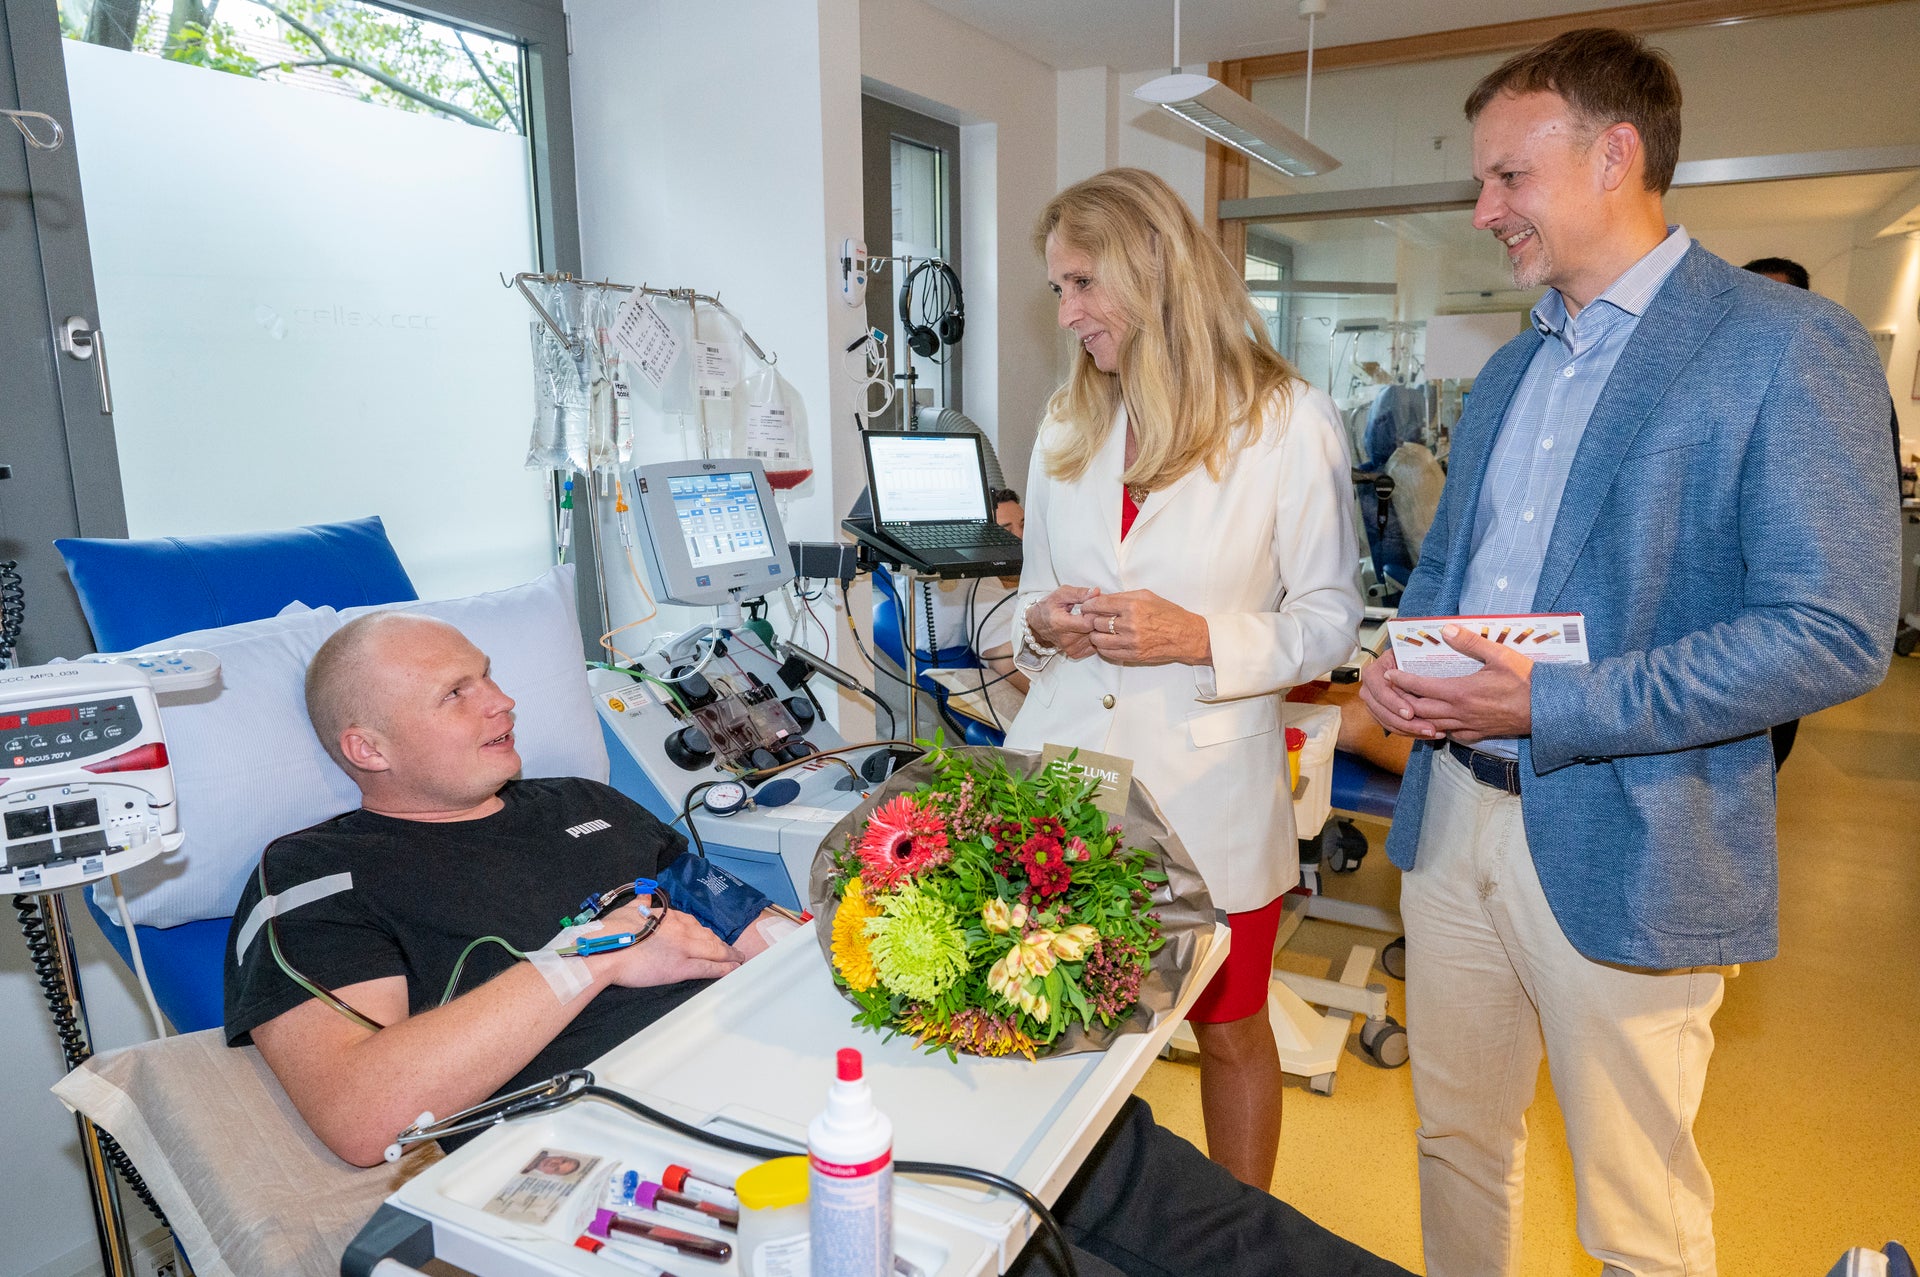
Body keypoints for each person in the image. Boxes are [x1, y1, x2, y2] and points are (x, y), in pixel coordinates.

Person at [224, 611, 1412, 1277]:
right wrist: (586, 958)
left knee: (1202, 1210)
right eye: (456, 694)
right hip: (698, 1151)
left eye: (490, 677)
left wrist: (816, 939)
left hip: (839, 1073)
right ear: (366, 746)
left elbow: (742, 917)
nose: (501, 702)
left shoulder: (578, 801)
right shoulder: (315, 873)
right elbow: (363, 1110)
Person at [1359, 30, 1899, 1277]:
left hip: (1635, 829)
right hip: (1454, 819)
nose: (1485, 209)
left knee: (1635, 1216)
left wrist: (1555, 703)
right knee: (1456, 1143)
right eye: (1482, 180)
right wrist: (1401, 658)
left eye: (1510, 176)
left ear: (1616, 155)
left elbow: (1832, 630)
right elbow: (1450, 572)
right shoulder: (1510, 369)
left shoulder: (1784, 345)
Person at [1005, 167, 1364, 1189]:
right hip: (1066, 784)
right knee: (1054, 1020)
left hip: (1208, 791)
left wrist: (1200, 636)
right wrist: (1039, 623)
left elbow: (1330, 620)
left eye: (1083, 284)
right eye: (1058, 289)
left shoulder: (1286, 420)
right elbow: (1023, 606)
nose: (1067, 313)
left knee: (1231, 1029)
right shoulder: (1068, 422)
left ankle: (1241, 1242)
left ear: (1152, 270)